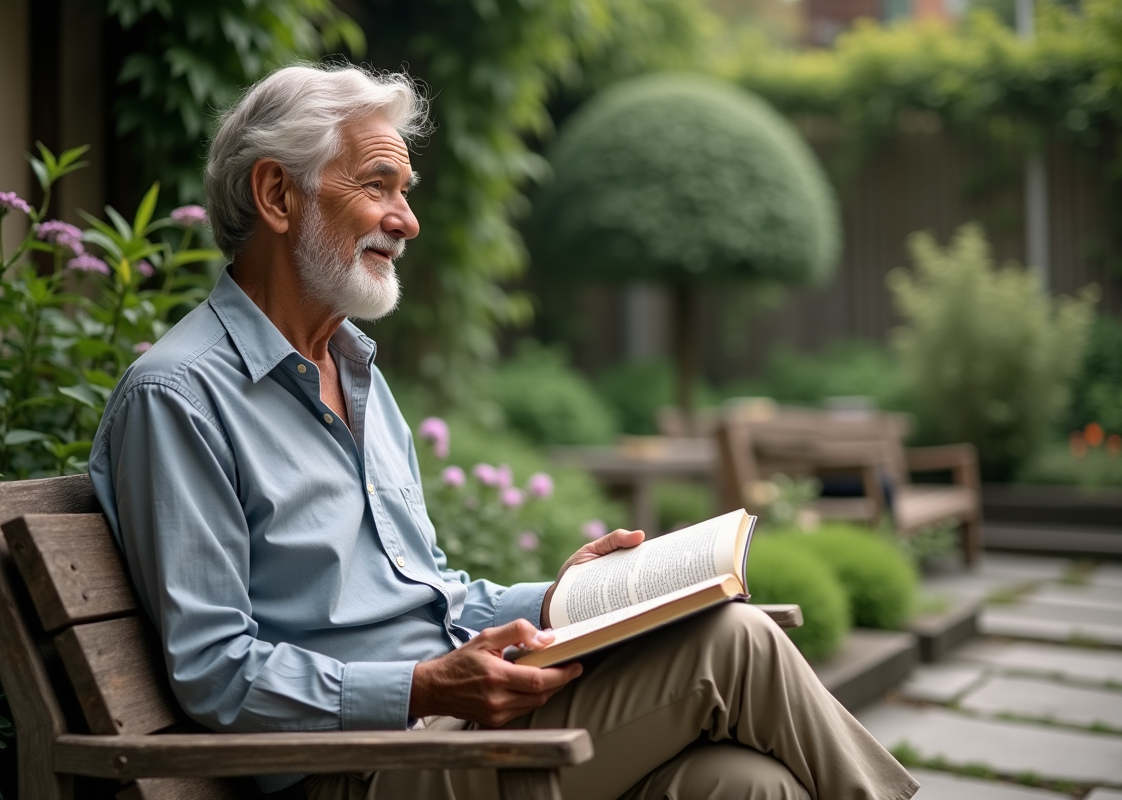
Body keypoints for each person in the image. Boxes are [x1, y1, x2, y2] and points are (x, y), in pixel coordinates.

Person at [89, 63, 919, 800]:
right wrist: (422, 688)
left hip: (438, 737)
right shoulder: (180, 396)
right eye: (379, 186)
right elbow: (217, 672)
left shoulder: (355, 373)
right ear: (277, 195)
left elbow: (429, 593)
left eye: (405, 191)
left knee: (747, 784)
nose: (406, 220)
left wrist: (558, 600)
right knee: (732, 644)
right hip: (356, 767)